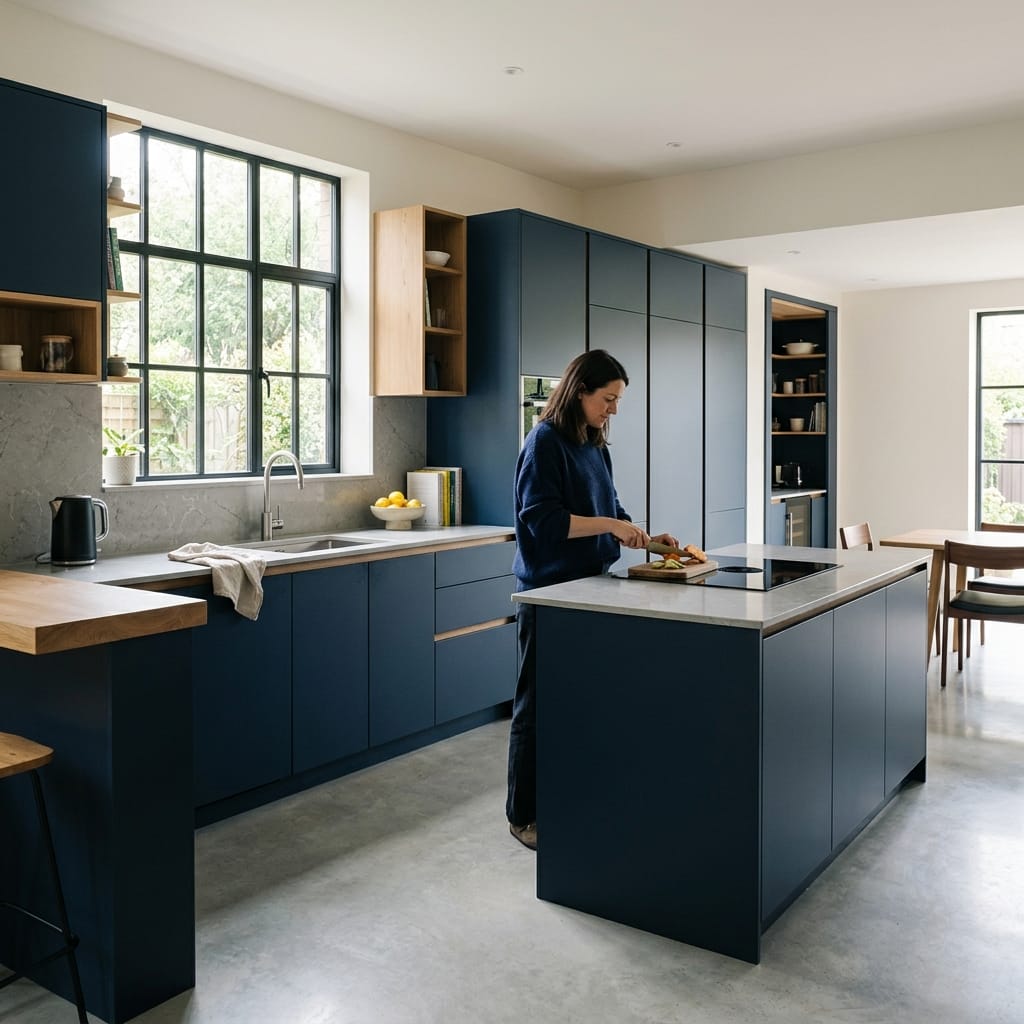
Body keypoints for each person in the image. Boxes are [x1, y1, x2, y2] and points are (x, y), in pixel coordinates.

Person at [506, 349, 680, 850]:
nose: (613, 410)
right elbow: (542, 518)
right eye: (608, 399)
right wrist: (609, 525)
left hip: (590, 589)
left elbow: (611, 507)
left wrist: (646, 539)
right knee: (535, 708)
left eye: (617, 400)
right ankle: (523, 816)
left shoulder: (594, 445)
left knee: (582, 703)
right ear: (579, 391)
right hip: (550, 596)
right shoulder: (543, 443)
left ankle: (571, 799)